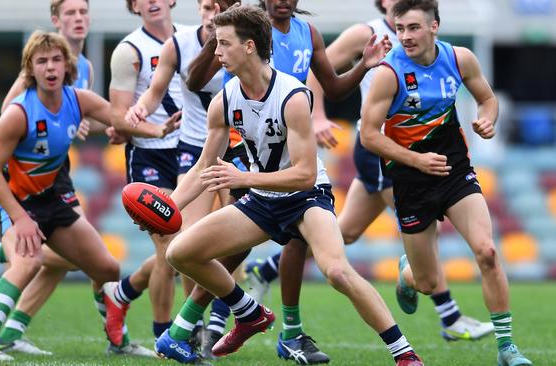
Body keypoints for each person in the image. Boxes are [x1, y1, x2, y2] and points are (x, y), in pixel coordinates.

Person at [153, 6, 423, 366]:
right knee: (179, 253)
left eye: (223, 44)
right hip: (262, 201)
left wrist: (245, 179)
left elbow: (304, 175)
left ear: (249, 46)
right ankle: (249, 312)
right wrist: (169, 206)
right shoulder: (224, 99)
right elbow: (204, 165)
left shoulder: (293, 96)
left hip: (306, 198)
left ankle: (404, 355)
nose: (216, 53)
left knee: (337, 271)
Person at [253, 0, 495, 344]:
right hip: (382, 147)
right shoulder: (364, 33)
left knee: (346, 233)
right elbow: (315, 73)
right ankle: (450, 315)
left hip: (408, 148)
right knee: (421, 227)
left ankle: (265, 270)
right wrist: (318, 115)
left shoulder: (427, 35)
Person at [0, 0, 152, 357]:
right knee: (32, 260)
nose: (79, 19)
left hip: (53, 180)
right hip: (15, 185)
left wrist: (156, 130)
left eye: (83, 12)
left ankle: (113, 341)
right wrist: (20, 218)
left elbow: (117, 119)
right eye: (71, 13)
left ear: (67, 65)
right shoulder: (22, 103)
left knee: (105, 266)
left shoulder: (81, 80)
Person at [359, 1, 532, 365]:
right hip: (410, 181)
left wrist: (488, 119)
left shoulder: (460, 58)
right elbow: (370, 136)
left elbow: (487, 99)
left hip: (455, 172)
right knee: (426, 282)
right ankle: (408, 275)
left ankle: (506, 347)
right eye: (400, 28)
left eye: (413, 28)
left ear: (434, 26)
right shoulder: (389, 73)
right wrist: (416, 159)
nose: (404, 36)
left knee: (487, 252)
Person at [107, 0, 184, 345]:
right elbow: (118, 117)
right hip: (150, 156)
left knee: (193, 245)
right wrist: (158, 131)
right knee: (170, 246)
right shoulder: (129, 50)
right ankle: (164, 337)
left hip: (194, 152)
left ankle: (122, 292)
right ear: (133, 5)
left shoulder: (191, 38)